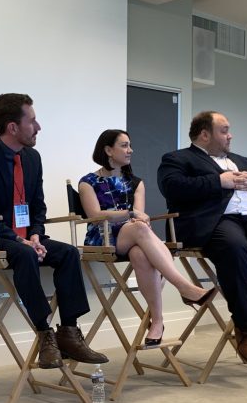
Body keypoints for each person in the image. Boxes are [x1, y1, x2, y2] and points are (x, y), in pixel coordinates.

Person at [0, 93, 108, 369]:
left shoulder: (32, 158)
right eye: (32, 121)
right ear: (13, 127)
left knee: (67, 253)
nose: (38, 127)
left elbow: (37, 206)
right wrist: (20, 240)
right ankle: (44, 333)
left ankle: (69, 331)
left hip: (27, 237)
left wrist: (36, 234)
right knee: (24, 255)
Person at [158, 111, 247, 364]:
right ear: (205, 134)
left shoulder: (242, 160)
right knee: (234, 248)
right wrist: (218, 181)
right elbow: (173, 188)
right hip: (215, 220)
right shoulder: (177, 159)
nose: (230, 136)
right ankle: (246, 330)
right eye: (224, 130)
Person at [78, 129, 215, 346]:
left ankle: (157, 322)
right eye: (124, 145)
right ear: (108, 150)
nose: (130, 150)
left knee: (140, 253)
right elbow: (95, 217)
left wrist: (135, 218)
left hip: (133, 235)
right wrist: (129, 214)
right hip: (102, 237)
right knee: (141, 230)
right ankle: (183, 286)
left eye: (130, 145)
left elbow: (140, 219)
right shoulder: (87, 182)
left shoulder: (135, 182)